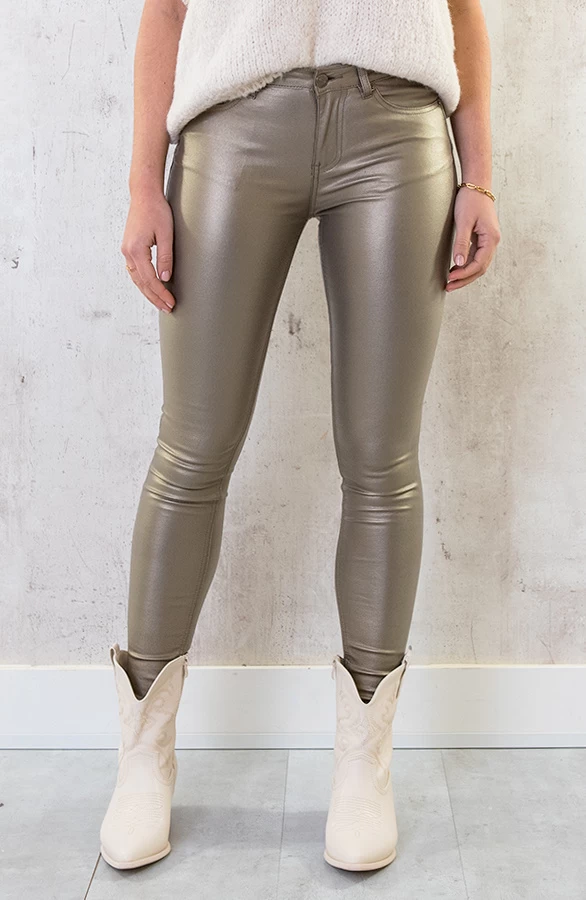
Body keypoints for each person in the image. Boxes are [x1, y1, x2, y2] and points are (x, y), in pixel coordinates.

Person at [99, 0, 501, 874]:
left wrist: (480, 177)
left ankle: (363, 767)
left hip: (399, 129)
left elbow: (463, 10)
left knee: (382, 462)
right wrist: (142, 184)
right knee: (192, 452)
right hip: (233, 127)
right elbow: (166, 9)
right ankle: (143, 757)